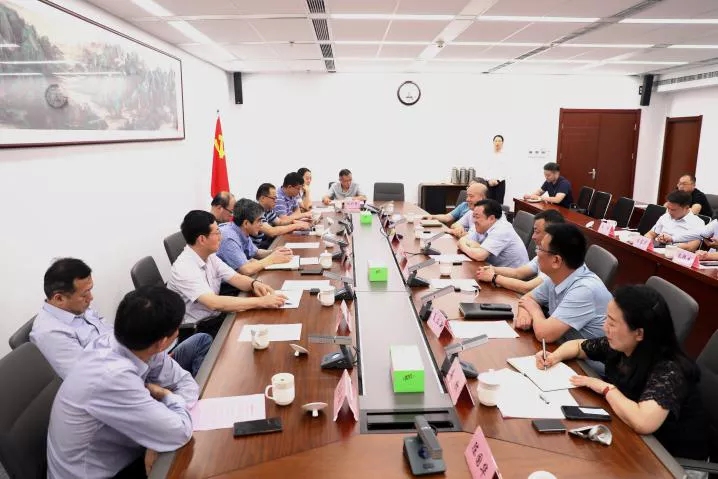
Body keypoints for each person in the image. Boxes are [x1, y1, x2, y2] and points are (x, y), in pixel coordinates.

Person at [535, 285, 709, 460]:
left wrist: (606, 388)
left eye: (612, 323)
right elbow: (578, 346)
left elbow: (643, 422)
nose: (605, 327)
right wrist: (554, 357)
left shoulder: (670, 369)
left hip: (672, 461)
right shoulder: (623, 345)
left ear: (639, 333)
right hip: (634, 440)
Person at [47, 286, 200, 479]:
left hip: (125, 447)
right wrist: (167, 399)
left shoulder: (136, 343)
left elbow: (186, 383)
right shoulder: (112, 376)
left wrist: (157, 435)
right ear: (163, 342)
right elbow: (179, 432)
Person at [30, 258, 211, 378]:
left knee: (201, 341)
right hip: (128, 381)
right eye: (84, 294)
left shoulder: (79, 309)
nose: (91, 298)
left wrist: (152, 355)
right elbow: (92, 379)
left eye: (90, 290)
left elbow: (116, 336)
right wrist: (145, 364)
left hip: (142, 362)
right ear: (59, 298)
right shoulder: (50, 333)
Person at [167, 210, 286, 337]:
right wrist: (261, 302)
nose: (221, 237)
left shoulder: (210, 256)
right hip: (198, 331)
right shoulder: (184, 267)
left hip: (215, 318)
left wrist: (254, 284)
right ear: (202, 239)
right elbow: (214, 303)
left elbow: (236, 278)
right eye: (217, 232)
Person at [515, 223, 610, 343]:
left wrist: (534, 310)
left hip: (582, 355)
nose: (536, 252)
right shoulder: (560, 274)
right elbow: (527, 299)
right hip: (561, 346)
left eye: (540, 248)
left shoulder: (584, 290)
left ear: (556, 260)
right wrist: (524, 316)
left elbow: (544, 335)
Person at [476, 210, 565, 294]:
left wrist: (494, 277)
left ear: (551, 234)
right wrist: (493, 269)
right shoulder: (543, 251)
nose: (533, 237)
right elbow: (518, 273)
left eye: (537, 232)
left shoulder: (557, 259)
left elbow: (528, 288)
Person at [217, 199, 294, 275]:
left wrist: (273, 252)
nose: (261, 224)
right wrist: (272, 259)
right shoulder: (229, 238)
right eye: (259, 221)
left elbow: (256, 253)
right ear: (246, 223)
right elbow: (246, 270)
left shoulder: (241, 231)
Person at [457, 199, 528, 268]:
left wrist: (463, 246)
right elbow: (464, 239)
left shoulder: (502, 229)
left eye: (477, 217)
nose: (474, 221)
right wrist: (474, 246)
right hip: (492, 269)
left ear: (491, 218)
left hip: (512, 274)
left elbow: (479, 256)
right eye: (473, 216)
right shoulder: (482, 225)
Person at [252, 183, 310, 249]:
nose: (276, 201)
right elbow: (271, 232)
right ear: (263, 198)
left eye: (276, 198)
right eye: (273, 198)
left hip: (259, 246)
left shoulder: (267, 209)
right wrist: (296, 226)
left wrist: (295, 222)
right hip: (254, 250)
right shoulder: (255, 210)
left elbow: (280, 222)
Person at [485, 134, 508, 204]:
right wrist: (489, 180)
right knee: (488, 204)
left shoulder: (505, 155)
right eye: (496, 141)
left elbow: (506, 170)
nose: (497, 143)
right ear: (493, 142)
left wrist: (498, 180)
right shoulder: (488, 155)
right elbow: (485, 169)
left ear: (502, 143)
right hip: (489, 183)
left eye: (499, 141)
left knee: (499, 204)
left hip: (500, 183)